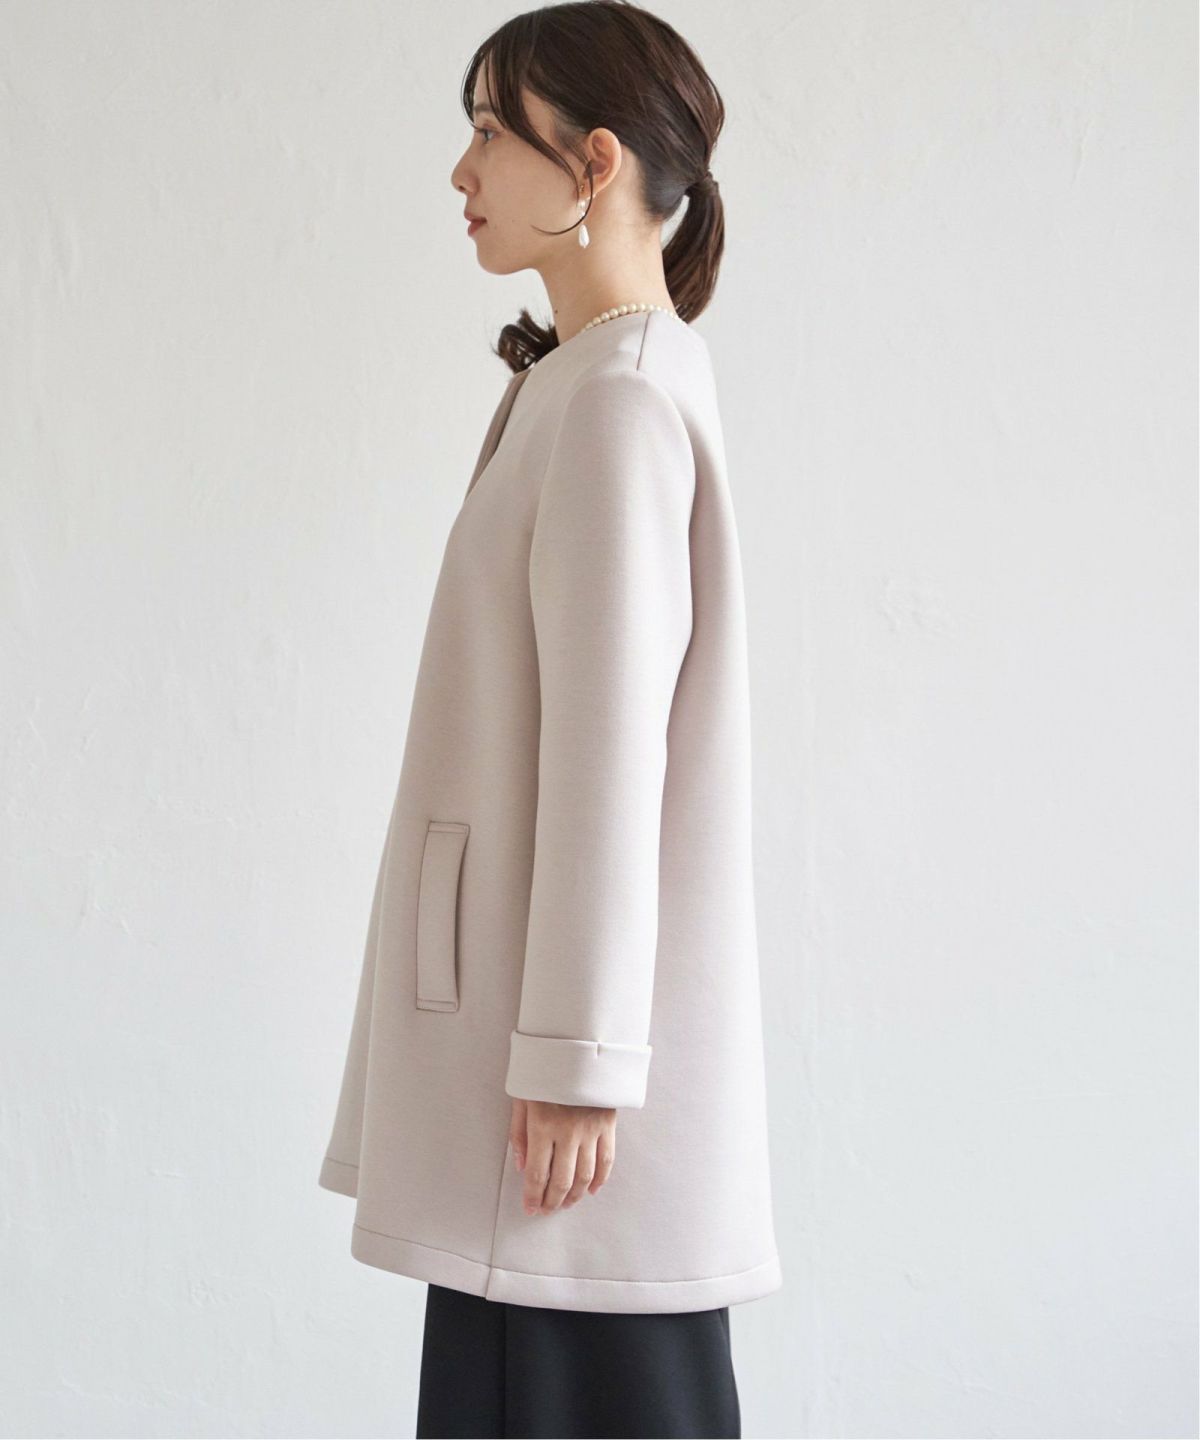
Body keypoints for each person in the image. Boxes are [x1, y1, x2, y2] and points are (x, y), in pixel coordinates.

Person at [318, 3, 782, 1435]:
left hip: (556, 1096)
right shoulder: (581, 381)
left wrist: (580, 1061)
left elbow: (607, 757)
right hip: (527, 1066)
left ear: (591, 164)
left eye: (487, 131)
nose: (461, 171)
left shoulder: (617, 402)